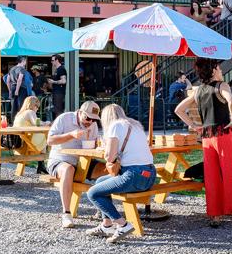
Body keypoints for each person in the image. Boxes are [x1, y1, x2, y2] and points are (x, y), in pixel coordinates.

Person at [175, 58, 232, 228]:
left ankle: (215, 216)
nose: (221, 70)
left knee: (211, 176)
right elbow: (231, 102)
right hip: (222, 134)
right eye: (218, 68)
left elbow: (179, 110)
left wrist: (193, 125)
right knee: (230, 174)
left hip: (207, 137)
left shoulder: (198, 91)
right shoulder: (222, 85)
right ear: (213, 70)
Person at [85, 104, 156, 243]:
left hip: (133, 176)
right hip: (149, 175)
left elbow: (110, 158)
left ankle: (122, 224)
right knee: (100, 182)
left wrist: (106, 150)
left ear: (106, 118)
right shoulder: (135, 124)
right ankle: (107, 225)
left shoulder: (115, 126)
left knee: (93, 193)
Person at [46, 101, 100, 229]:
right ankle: (66, 213)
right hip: (59, 160)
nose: (90, 122)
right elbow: (50, 140)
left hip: (83, 161)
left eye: (93, 119)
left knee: (108, 169)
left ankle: (104, 210)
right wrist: (70, 135)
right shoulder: (64, 119)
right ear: (80, 112)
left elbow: (93, 145)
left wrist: (99, 146)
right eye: (88, 118)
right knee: (68, 169)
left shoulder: (93, 126)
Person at [13, 96, 50, 174]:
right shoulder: (30, 112)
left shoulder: (19, 114)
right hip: (27, 140)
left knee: (43, 135)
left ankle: (41, 165)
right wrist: (47, 123)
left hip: (19, 141)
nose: (37, 109)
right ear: (32, 105)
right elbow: (37, 123)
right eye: (37, 106)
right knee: (47, 136)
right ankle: (42, 164)